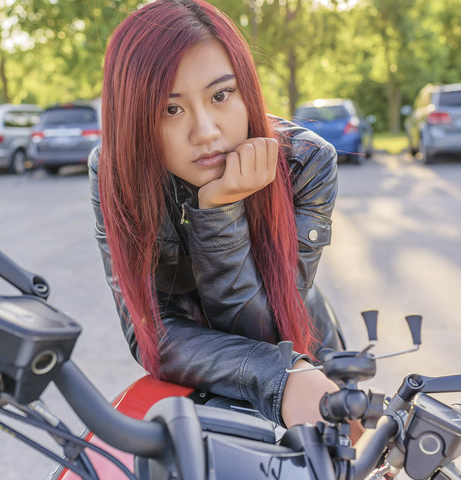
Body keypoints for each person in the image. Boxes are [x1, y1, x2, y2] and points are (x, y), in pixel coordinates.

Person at [88, 0, 343, 430]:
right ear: (134, 118)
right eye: (171, 109)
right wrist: (220, 205)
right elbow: (152, 333)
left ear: (246, 91)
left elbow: (270, 333)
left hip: (310, 363)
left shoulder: (306, 161)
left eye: (221, 95)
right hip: (216, 384)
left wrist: (220, 213)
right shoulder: (115, 173)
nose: (205, 131)